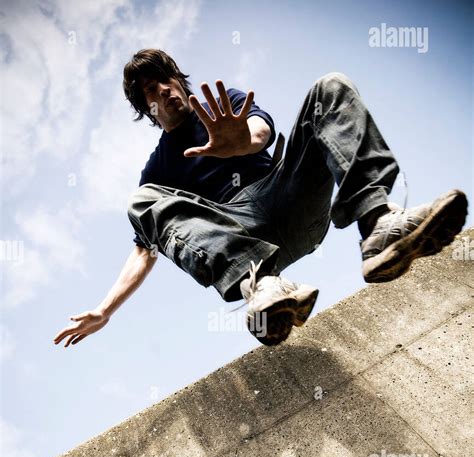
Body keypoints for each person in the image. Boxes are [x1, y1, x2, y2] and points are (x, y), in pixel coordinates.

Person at [54, 49, 468, 349]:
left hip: (287, 198)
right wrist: (105, 309)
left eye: (167, 80)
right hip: (239, 238)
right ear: (147, 108)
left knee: (331, 87)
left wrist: (241, 144)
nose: (163, 90)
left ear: (180, 82)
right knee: (140, 201)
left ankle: (378, 225)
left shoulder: (225, 105)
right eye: (151, 89)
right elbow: (144, 252)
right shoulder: (158, 169)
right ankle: (264, 289)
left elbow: (260, 133)